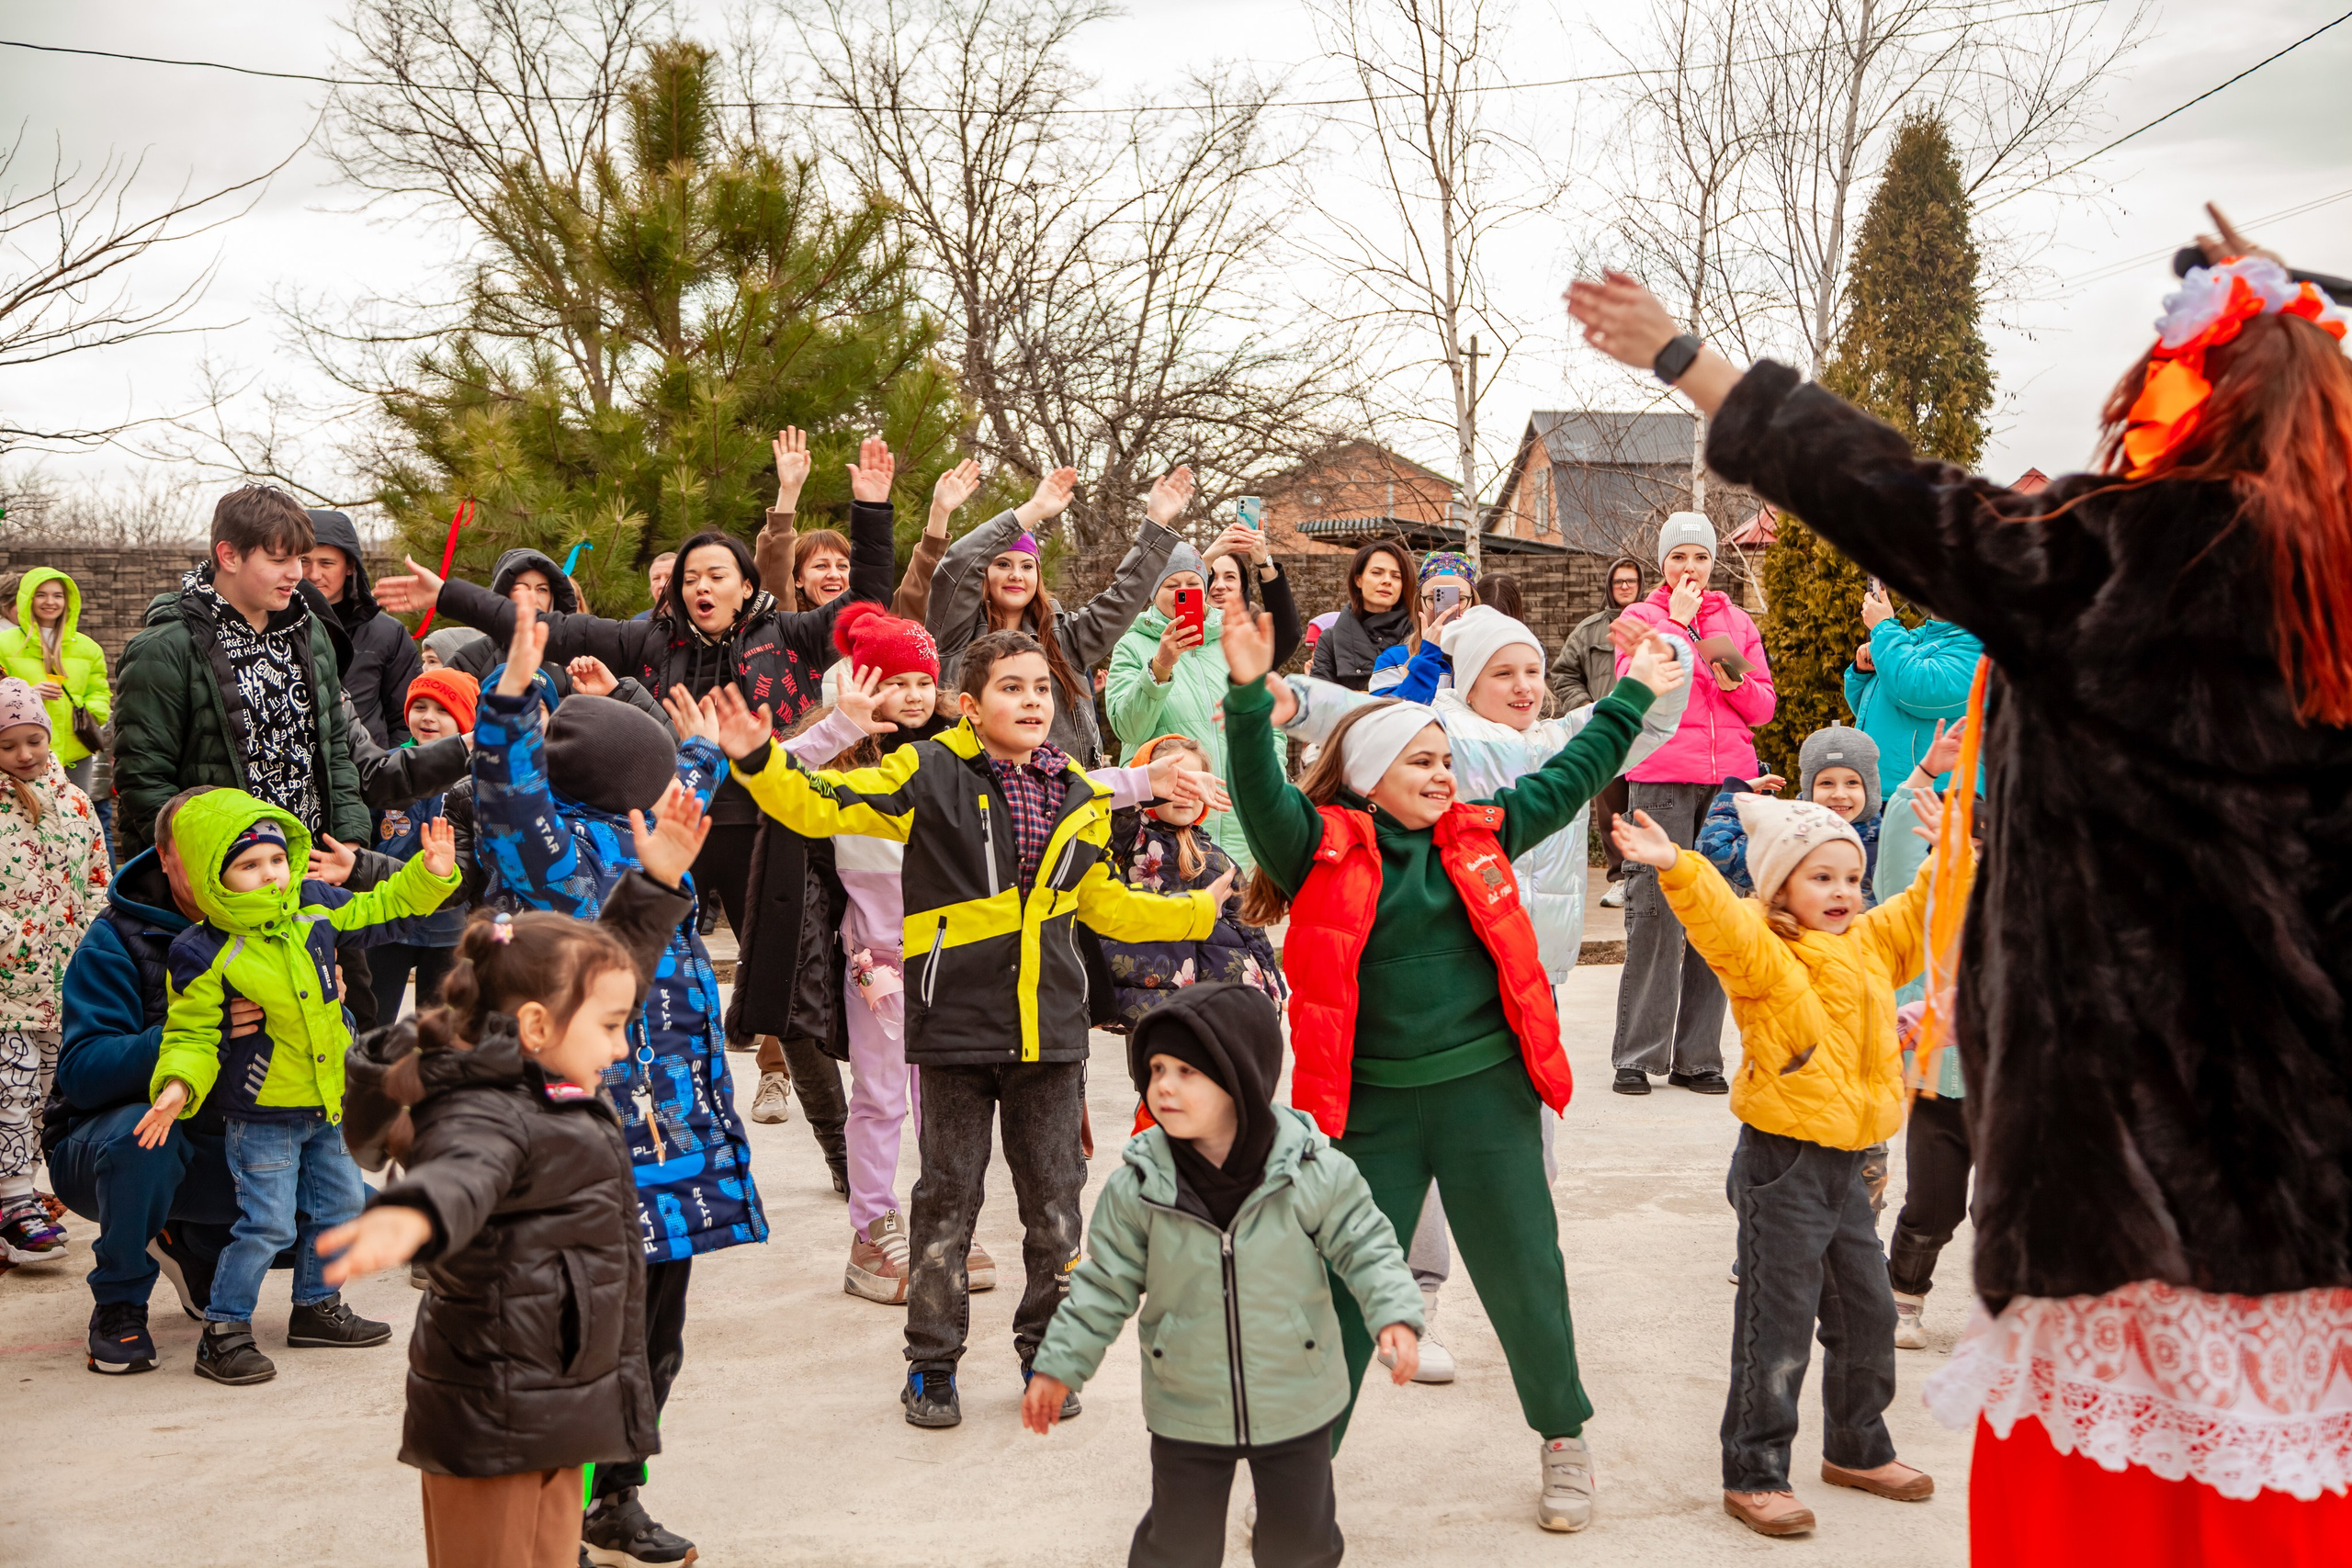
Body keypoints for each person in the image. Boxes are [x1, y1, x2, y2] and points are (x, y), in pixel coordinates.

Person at [1569, 236, 2352, 1561]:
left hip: (2110, 1164)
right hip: (2307, 1170)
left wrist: (1679, 352)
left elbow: (1883, 487)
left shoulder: (2099, 557)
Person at [1223, 604, 1684, 1532]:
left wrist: (1631, 693)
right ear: (1366, 776)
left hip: (1486, 1101)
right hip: (1370, 1116)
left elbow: (1571, 773)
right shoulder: (1315, 853)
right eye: (1421, 762)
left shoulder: (1481, 835)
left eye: (1444, 760)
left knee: (1525, 1278)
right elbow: (1256, 790)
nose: (1443, 775)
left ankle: (1562, 1437)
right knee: (1348, 1297)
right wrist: (1242, 701)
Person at [707, 628, 1225, 1430]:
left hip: (1049, 1035)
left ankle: (1048, 1355)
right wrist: (758, 761)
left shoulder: (1077, 794)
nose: (1031, 702)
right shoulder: (926, 770)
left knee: (1055, 1205)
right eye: (1012, 688)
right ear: (970, 705)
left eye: (1042, 690)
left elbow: (1104, 906)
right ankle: (932, 1364)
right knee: (946, 1199)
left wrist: (1197, 909)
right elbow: (821, 804)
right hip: (952, 1029)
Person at [321, 786, 707, 1568]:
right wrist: (413, 1215)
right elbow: (462, 1173)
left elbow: (608, 965)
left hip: (562, 1406)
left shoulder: (547, 1070)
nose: (622, 1047)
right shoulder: (488, 1105)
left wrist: (656, 885)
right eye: (609, 1029)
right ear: (536, 1026)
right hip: (493, 1414)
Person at [466, 605, 762, 1568]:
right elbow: (506, 791)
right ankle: (557, 1513)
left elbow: (683, 791)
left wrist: (704, 749)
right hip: (587, 1154)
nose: (674, 795)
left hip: (673, 1149)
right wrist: (509, 699)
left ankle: (617, 1495)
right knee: (579, 1347)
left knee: (653, 1345)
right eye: (658, 777)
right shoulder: (548, 859)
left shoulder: (648, 838)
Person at [1615, 792, 1951, 1536]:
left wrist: (1956, 851)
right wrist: (1679, 865)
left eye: (1850, 878)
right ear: (1781, 888)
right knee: (1778, 1325)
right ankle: (1755, 1470)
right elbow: (1722, 922)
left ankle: (1858, 1447)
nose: (1842, 893)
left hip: (1854, 1165)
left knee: (1868, 1315)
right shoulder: (1766, 954)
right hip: (1785, 1163)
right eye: (1820, 878)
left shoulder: (1867, 942)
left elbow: (1922, 910)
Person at [1022, 982, 1424, 1568]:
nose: (1164, 1085)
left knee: (1300, 1544)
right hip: (1188, 1397)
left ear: (1240, 1078)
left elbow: (1367, 1245)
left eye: (1187, 1070)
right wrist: (1059, 1365)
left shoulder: (1313, 1170)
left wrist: (1394, 1312)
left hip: (1297, 1396)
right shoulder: (1138, 1186)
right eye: (1157, 1068)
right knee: (1178, 1547)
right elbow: (1101, 1287)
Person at [130, 788, 458, 1385]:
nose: (269, 874)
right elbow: (192, 1032)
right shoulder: (204, 950)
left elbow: (378, 909)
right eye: (249, 866)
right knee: (268, 1224)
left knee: (335, 1207)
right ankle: (224, 1330)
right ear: (215, 875)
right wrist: (177, 1083)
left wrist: (428, 876)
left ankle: (317, 1304)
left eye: (276, 860)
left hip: (327, 1101)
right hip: (261, 1116)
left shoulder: (311, 909)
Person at [731, 441, 985, 1182]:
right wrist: (785, 502)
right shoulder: (780, 632)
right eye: (822, 565)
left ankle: (931, 1193)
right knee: (801, 1010)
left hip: (915, 924)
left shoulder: (919, 708)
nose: (834, 576)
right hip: (796, 819)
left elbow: (898, 593)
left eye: (843, 566)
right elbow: (769, 584)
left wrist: (925, 518)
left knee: (921, 1080)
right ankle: (849, 1164)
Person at [49, 788, 250, 1372]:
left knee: (342, 1207)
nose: (217, 857)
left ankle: (195, 1244)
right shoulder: (115, 938)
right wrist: (190, 1035)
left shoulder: (277, 927)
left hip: (224, 1137)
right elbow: (81, 1075)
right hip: (103, 1142)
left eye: (229, 843)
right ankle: (118, 1304)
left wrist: (327, 1010)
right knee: (146, 1140)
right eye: (197, 846)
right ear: (164, 857)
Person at [1606, 512, 1775, 1097]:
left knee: (1720, 918)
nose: (1690, 568)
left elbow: (1763, 707)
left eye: (1699, 557)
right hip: (1660, 779)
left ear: (1712, 563)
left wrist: (1737, 686)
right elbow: (1635, 685)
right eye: (1679, 557)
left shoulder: (1736, 621)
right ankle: (1637, 1054)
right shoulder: (1640, 617)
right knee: (1656, 915)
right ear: (1663, 563)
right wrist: (1675, 627)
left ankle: (1699, 1057)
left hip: (1729, 784)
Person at [114, 488, 370, 860]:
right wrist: (212, 863)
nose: (297, 573)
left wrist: (348, 842)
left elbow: (335, 752)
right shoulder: (164, 648)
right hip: (215, 881)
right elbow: (144, 781)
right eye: (279, 559)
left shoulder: (311, 631)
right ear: (229, 555)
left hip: (312, 869)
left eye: (299, 558)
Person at [927, 465, 1193, 767]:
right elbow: (956, 567)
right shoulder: (957, 632)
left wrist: (1156, 523)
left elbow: (1122, 598)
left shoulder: (1065, 638)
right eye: (1002, 564)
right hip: (975, 793)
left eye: (1027, 567)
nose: (1016, 575)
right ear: (983, 573)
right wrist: (1035, 509)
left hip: (1060, 800)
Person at [0, 677, 108, 1263]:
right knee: (9, 1091)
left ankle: (23, 1185)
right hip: (5, 984)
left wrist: (93, 937)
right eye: (8, 744)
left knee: (45, 1089)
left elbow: (97, 875)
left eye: (33, 740)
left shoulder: (75, 801)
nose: (24, 755)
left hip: (62, 979)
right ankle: (13, 1201)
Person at [1104, 538, 1283, 874]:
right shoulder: (1132, 644)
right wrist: (1161, 664)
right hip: (1166, 822)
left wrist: (1273, 782)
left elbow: (1270, 722)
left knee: (1238, 920)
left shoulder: (1233, 635)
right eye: (1171, 585)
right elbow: (1128, 729)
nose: (1182, 592)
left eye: (1192, 584)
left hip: (1239, 815)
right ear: (1153, 592)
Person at [1101, 734, 1285, 1032]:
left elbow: (1248, 925)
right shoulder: (1128, 838)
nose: (1185, 793)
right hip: (1149, 999)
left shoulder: (1215, 856)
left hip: (1217, 999)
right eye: (1174, 783)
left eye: (1193, 784)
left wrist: (1272, 984)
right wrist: (1141, 786)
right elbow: (1111, 806)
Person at [369, 668, 481, 1020]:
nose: (429, 718)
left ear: (464, 721)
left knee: (440, 1027)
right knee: (374, 1019)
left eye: (443, 710)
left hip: (448, 927)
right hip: (386, 917)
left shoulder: (477, 776)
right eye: (420, 707)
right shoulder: (386, 767)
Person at [1555, 558, 1647, 906]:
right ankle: (1620, 878)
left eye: (1631, 581)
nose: (1625, 587)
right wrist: (1586, 709)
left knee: (1650, 808)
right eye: (1619, 581)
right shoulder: (1590, 630)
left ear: (1641, 584)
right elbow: (1564, 673)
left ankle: (1649, 877)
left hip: (1648, 730)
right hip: (1607, 730)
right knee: (1610, 807)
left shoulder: (1659, 623)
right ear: (1609, 586)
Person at [1845, 583, 1982, 795]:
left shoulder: (1980, 651)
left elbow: (1915, 690)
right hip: (1889, 795)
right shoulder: (1925, 637)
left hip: (1935, 801)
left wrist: (1883, 627)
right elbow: (1872, 709)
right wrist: (1862, 673)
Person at [306, 510, 424, 749]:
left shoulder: (388, 634)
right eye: (303, 561)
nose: (314, 574)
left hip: (369, 775)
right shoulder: (270, 627)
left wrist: (389, 772)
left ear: (350, 566)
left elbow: (406, 720)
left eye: (327, 563)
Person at [0, 568, 112, 800]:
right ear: (27, 597)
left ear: (68, 600)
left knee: (74, 821)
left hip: (75, 755)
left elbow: (100, 694)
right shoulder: (4, 643)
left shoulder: (88, 648)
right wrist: (28, 695)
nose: (50, 602)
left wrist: (86, 713)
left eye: (58, 595)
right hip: (21, 755)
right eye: (41, 594)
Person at [1306, 538, 1416, 691]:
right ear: (1358, 580)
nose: (1387, 581)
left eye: (1396, 576)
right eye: (1377, 573)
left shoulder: (1418, 635)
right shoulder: (1330, 640)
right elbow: (1321, 701)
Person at [1200, 517, 1304, 666]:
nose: (1220, 585)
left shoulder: (1256, 635)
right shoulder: (1185, 637)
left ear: (1242, 586)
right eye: (1212, 576)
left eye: (1230, 577)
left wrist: (1264, 562)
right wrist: (1206, 560)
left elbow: (1288, 635)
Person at [629, 551, 677, 622]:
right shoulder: (639, 622)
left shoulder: (696, 621)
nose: (662, 584)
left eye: (669, 578)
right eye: (656, 578)